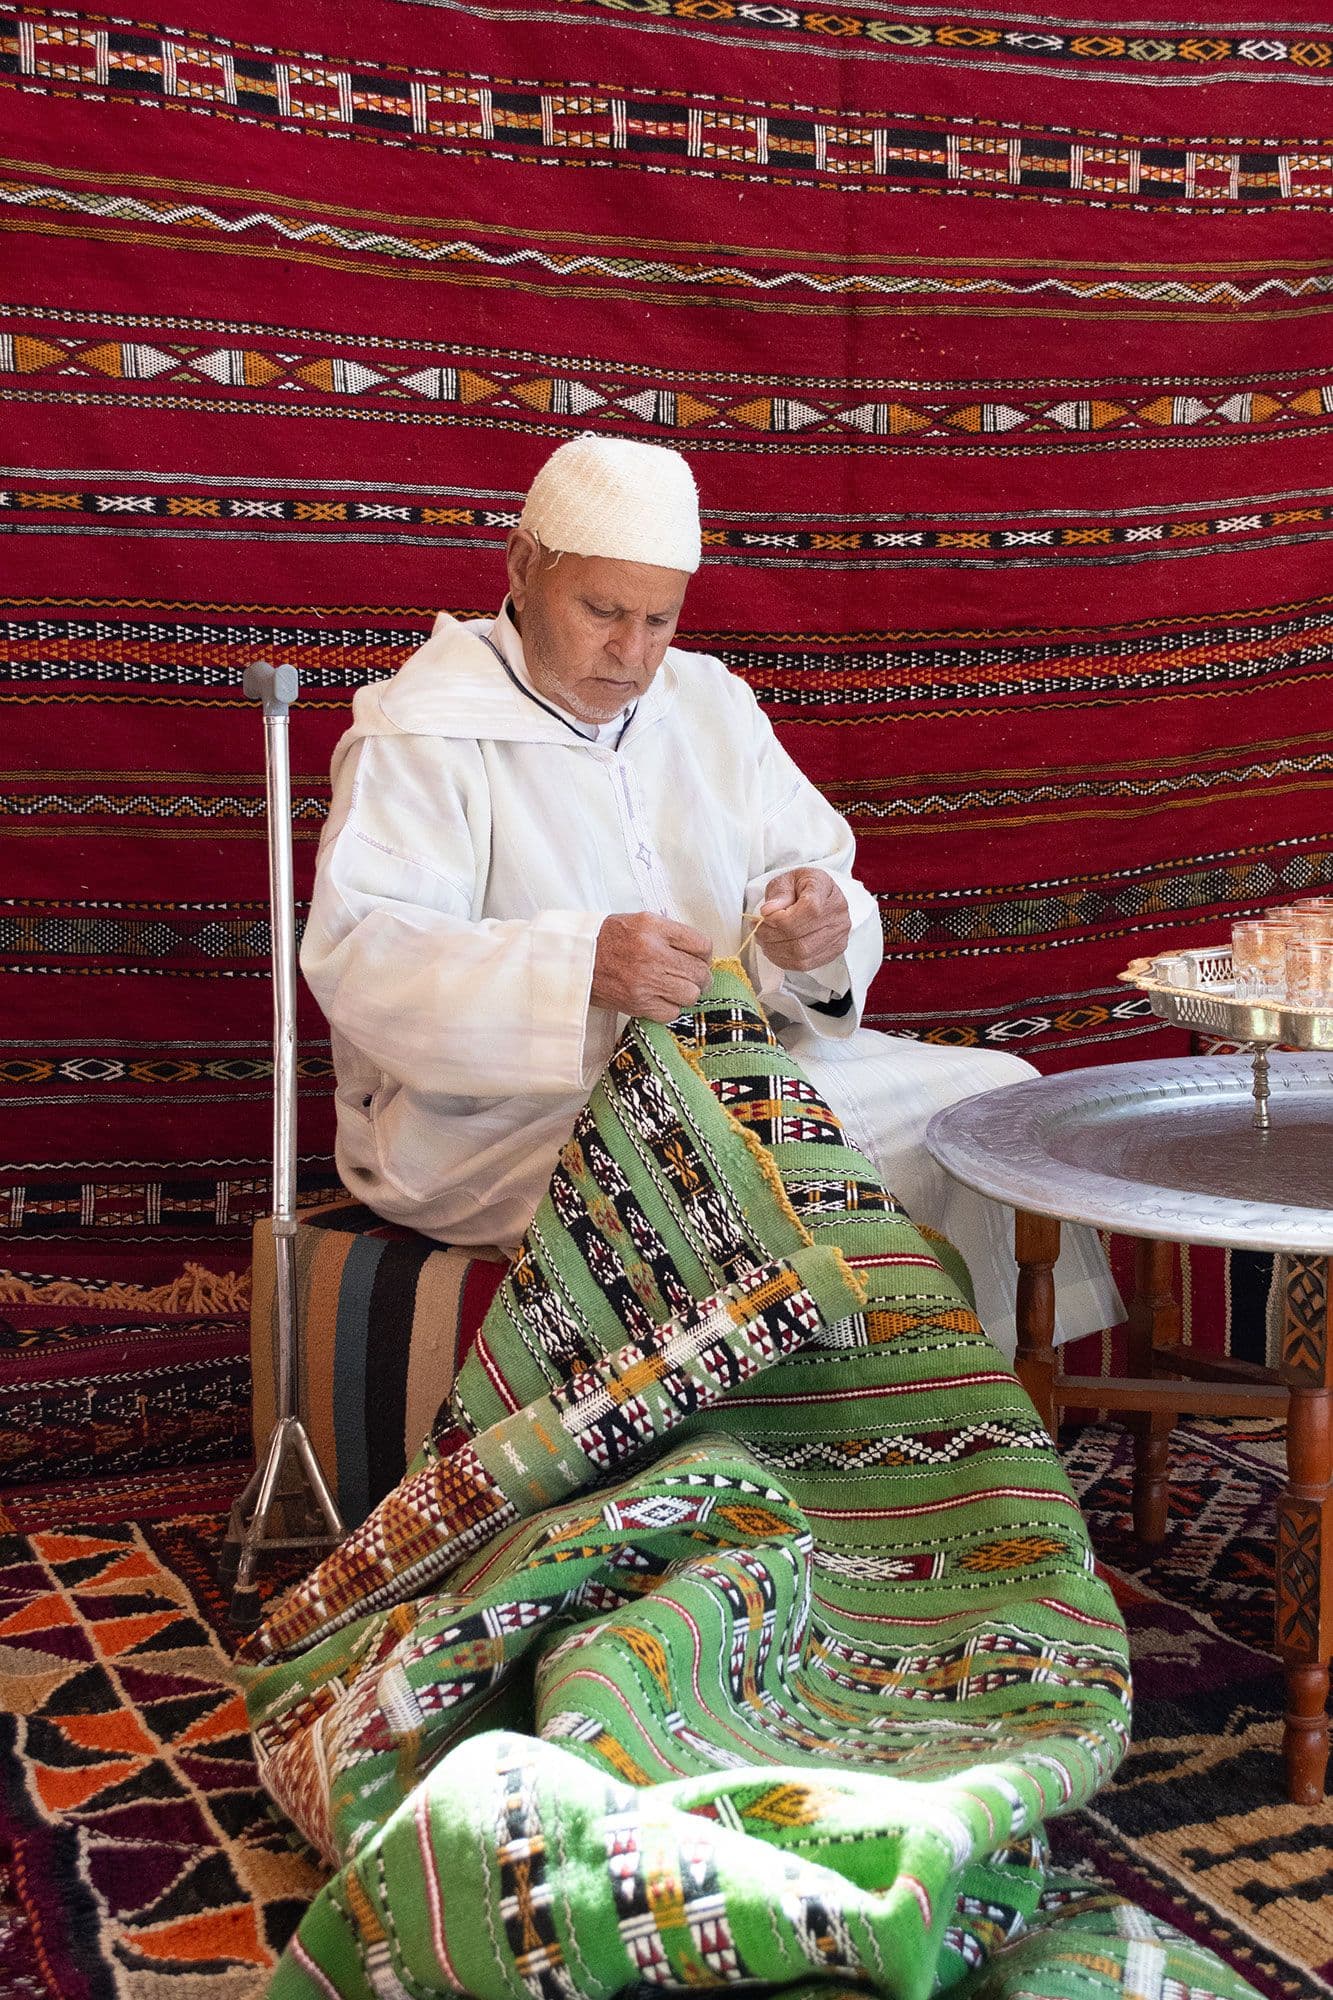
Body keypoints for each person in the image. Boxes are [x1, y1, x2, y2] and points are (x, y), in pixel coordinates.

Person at [301, 435, 1121, 1355]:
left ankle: (964, 1410)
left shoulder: (709, 704)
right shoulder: (423, 731)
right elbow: (367, 956)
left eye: (659, 620)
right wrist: (581, 970)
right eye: (602, 610)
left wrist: (820, 932)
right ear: (523, 566)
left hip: (737, 1070)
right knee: (748, 1170)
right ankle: (819, 1440)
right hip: (506, 1124)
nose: (631, 653)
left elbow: (819, 871)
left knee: (992, 1112)